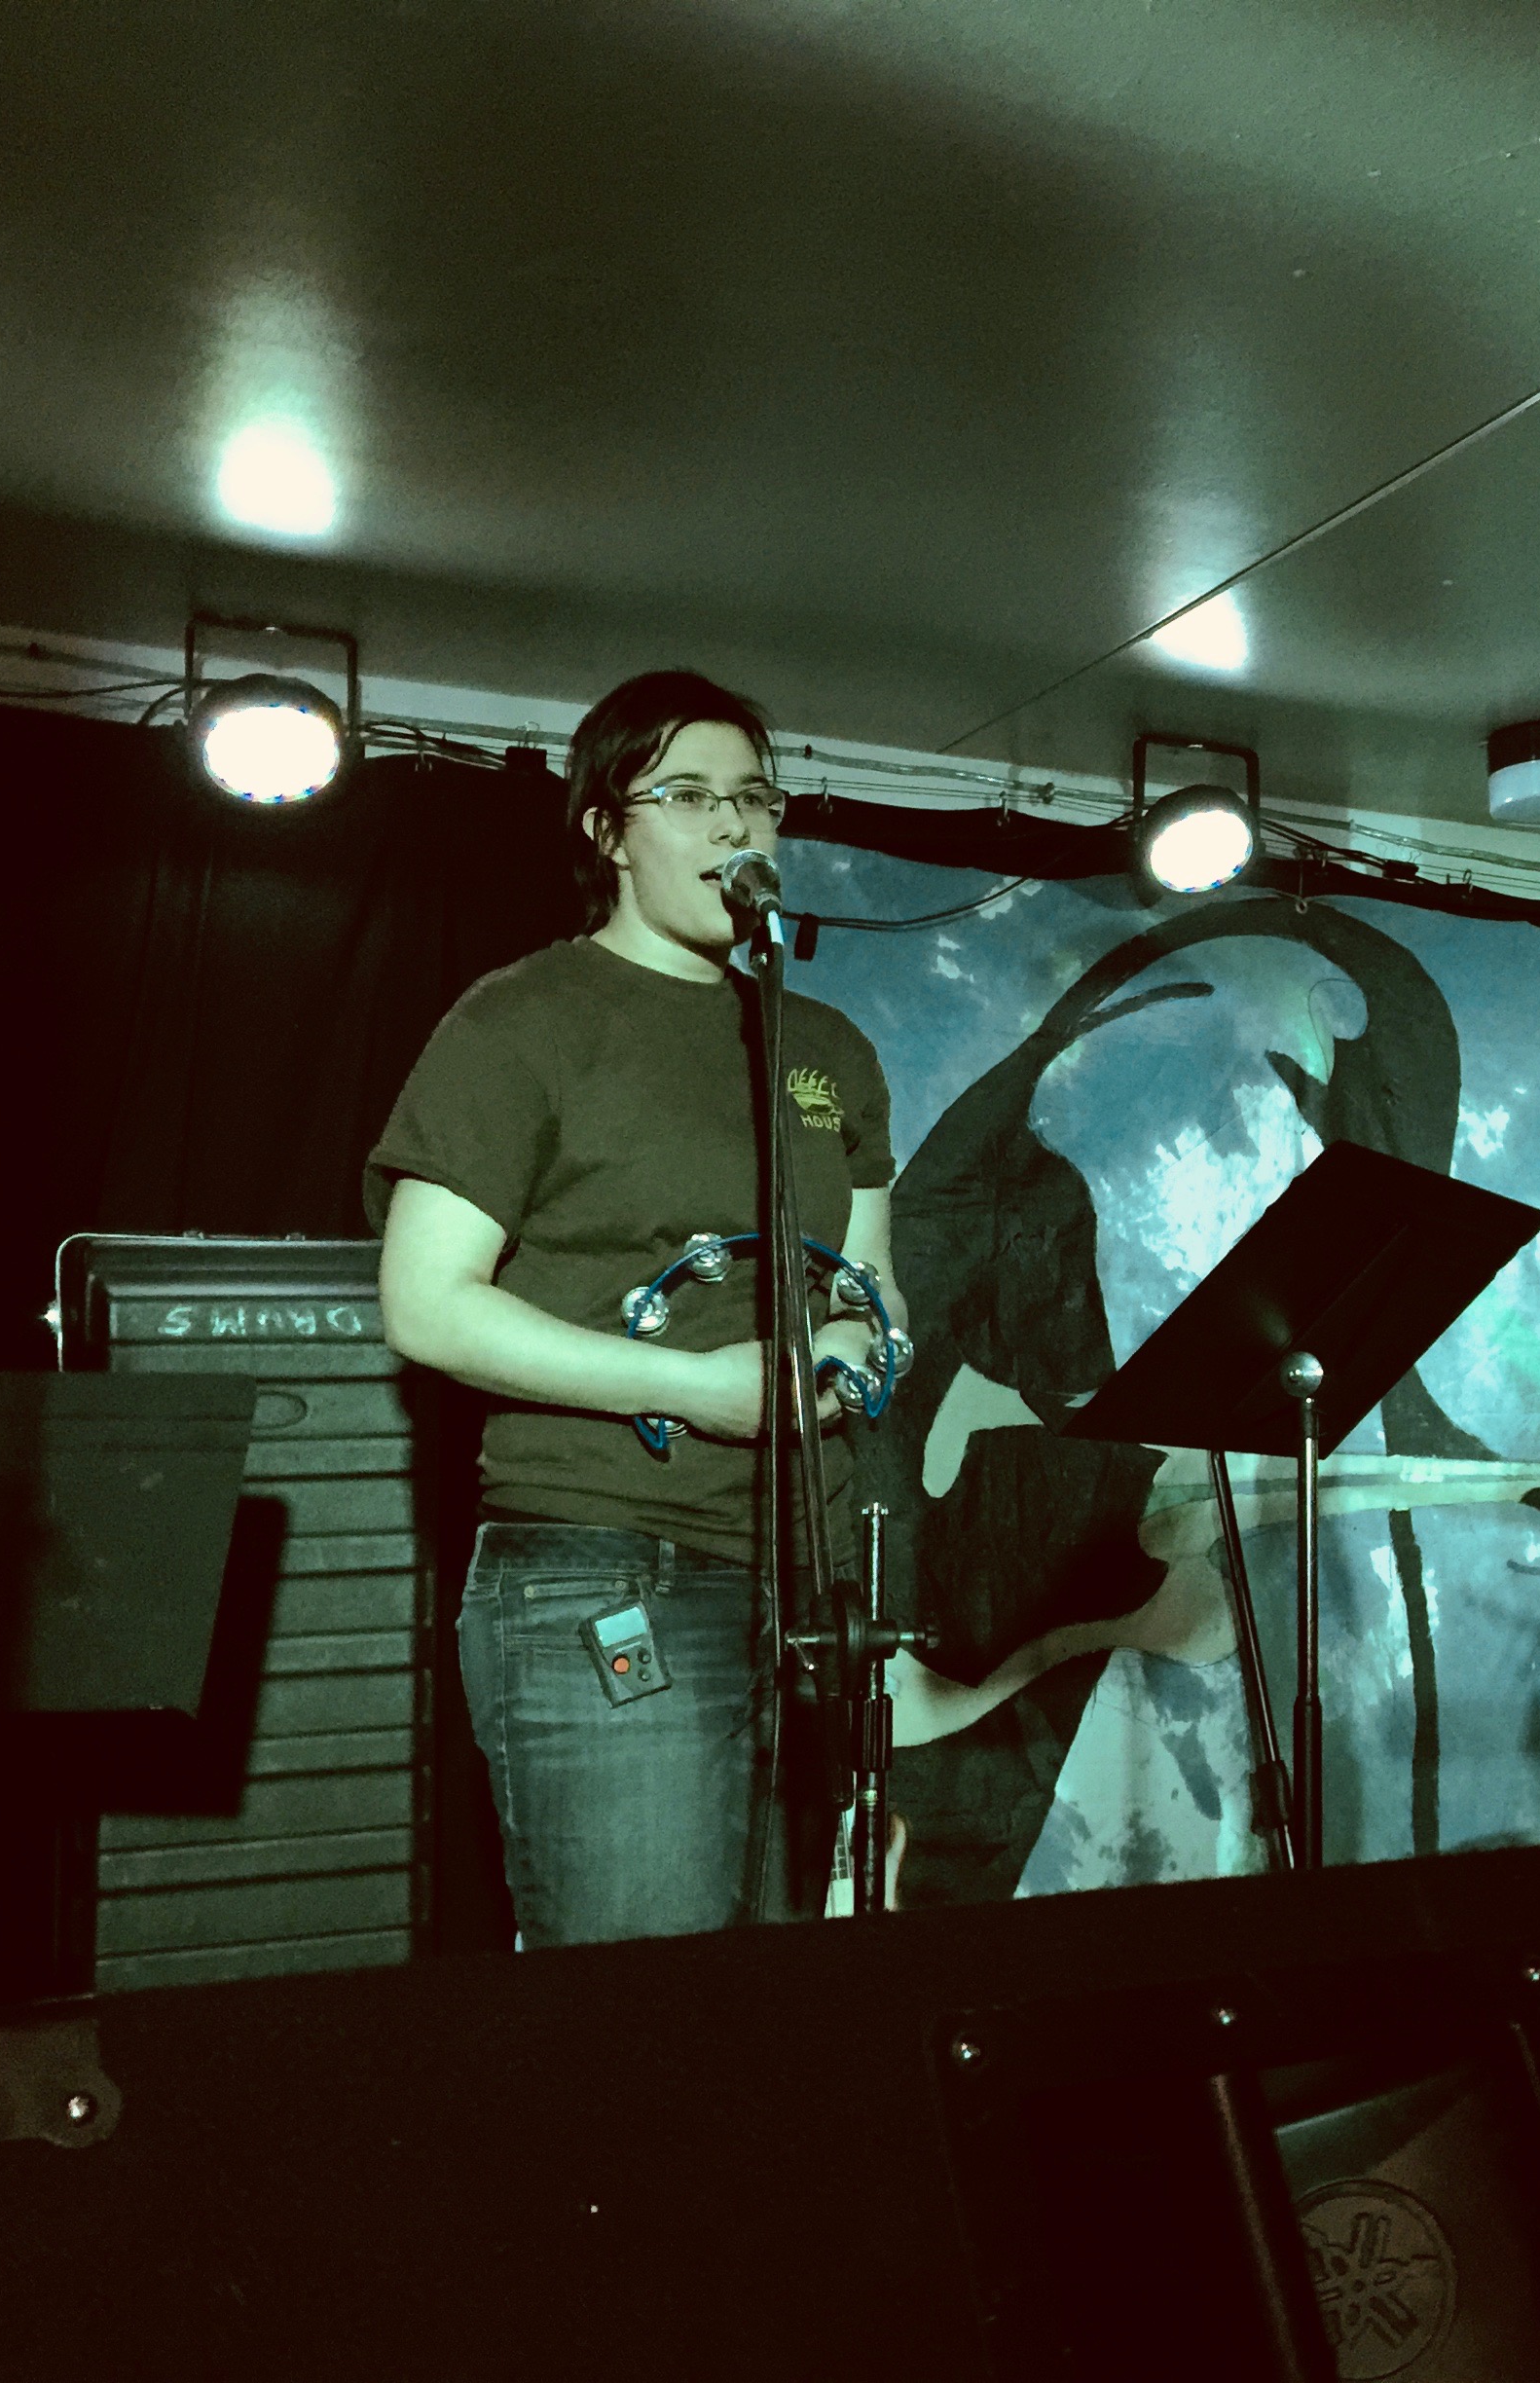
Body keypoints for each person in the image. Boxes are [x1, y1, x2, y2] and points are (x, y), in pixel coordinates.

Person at [370, 670, 903, 1946]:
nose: (735, 825)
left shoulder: (828, 1048)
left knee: (789, 2010)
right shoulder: (521, 1020)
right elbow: (426, 1306)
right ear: (607, 830)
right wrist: (691, 1387)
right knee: (644, 2008)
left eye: (755, 797)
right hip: (610, 1559)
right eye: (690, 796)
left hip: (812, 1586)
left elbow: (874, 1287)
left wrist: (849, 1350)